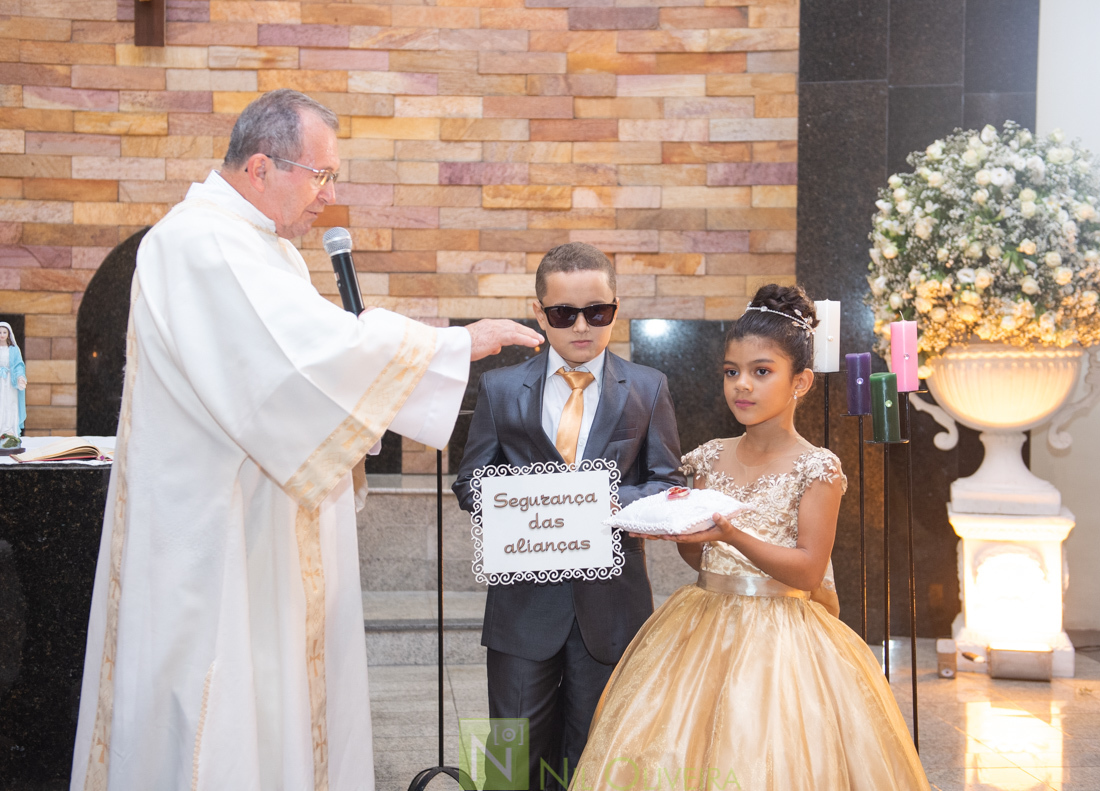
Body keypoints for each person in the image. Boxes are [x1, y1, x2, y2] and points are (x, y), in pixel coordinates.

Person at [69, 90, 542, 791]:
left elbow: (309, 363)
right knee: (228, 708)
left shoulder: (261, 246)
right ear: (262, 166)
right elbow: (304, 361)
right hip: (217, 538)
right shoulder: (199, 241)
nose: (330, 195)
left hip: (261, 521)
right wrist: (454, 344)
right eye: (321, 175)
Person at [570, 284, 930, 791]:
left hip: (783, 636)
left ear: (800, 381)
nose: (742, 385)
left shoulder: (817, 467)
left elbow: (808, 570)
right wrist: (680, 531)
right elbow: (703, 560)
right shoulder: (709, 456)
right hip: (701, 622)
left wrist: (733, 534)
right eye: (731, 371)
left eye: (762, 372)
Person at [452, 242, 685, 790]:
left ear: (615, 309)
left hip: (612, 608)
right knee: (510, 755)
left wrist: (609, 502)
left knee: (597, 750)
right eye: (564, 313)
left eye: (596, 312)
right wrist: (527, 503)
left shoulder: (647, 386)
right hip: (522, 605)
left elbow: (667, 483)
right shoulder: (500, 388)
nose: (582, 326)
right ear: (539, 313)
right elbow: (468, 483)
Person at [0, 322, 27, 447]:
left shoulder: (14, 350)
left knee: (10, 404)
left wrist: (20, 377)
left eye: (4, 332)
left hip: (10, 382)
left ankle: (9, 431)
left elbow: (18, 365)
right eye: (0, 332)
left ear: (8, 334)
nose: (2, 335)